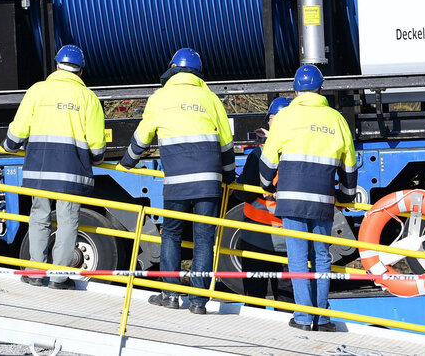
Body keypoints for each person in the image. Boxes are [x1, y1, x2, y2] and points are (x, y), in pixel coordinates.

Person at [120, 48, 235, 315]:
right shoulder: (210, 98)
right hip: (209, 181)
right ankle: (198, 302)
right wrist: (229, 176)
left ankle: (170, 295)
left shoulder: (160, 98)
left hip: (177, 182)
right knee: (204, 239)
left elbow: (142, 137)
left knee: (171, 235)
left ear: (172, 68)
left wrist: (126, 163)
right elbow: (227, 143)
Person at [259, 64, 356, 332]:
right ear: (321, 90)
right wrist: (346, 196)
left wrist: (266, 186)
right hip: (322, 200)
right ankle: (321, 317)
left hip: (290, 200)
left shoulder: (285, 118)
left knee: (298, 257)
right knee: (322, 256)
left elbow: (268, 160)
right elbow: (349, 164)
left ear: (295, 91)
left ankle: (303, 317)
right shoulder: (336, 119)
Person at [2, 45, 106, 291]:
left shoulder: (37, 91)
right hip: (71, 173)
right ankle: (59, 278)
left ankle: (35, 273)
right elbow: (97, 145)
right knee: (67, 221)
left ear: (57, 66)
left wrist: (9, 145)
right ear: (81, 71)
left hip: (39, 170)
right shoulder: (88, 98)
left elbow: (18, 131)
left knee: (39, 217)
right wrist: (97, 158)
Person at [230, 96, 293, 303]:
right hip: (289, 238)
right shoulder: (300, 153)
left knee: (254, 298)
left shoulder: (259, 154)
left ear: (272, 121)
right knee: (286, 298)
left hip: (256, 237)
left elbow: (243, 193)